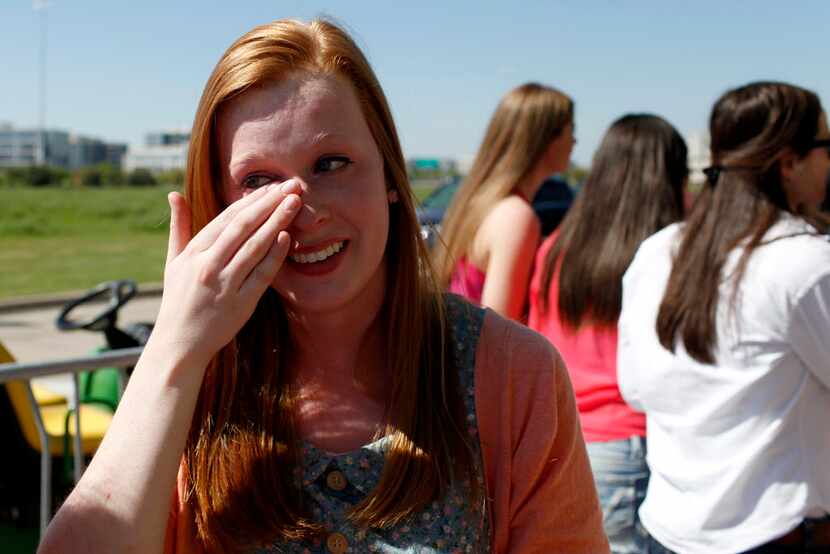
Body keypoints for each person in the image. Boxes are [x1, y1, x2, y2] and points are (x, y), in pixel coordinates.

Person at [38, 19, 608, 553]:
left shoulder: (513, 374)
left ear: (389, 174)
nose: (301, 211)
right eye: (258, 181)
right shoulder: (195, 384)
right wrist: (172, 350)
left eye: (331, 164)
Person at [617, 81, 830, 553]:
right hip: (774, 533)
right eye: (825, 146)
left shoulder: (658, 251)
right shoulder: (806, 264)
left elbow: (634, 388)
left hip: (671, 530)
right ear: (789, 161)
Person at [527, 114, 687, 553]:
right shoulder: (667, 257)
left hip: (570, 446)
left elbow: (541, 341)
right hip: (639, 445)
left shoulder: (555, 248)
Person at [433, 83, 575, 320]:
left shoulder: (481, 202)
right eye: (572, 130)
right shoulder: (515, 217)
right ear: (547, 138)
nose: (575, 142)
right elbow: (500, 334)